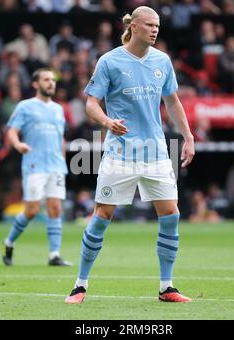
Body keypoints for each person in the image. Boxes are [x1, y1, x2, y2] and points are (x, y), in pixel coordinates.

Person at [65, 6, 195, 304]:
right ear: (133, 26)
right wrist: (107, 122)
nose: (154, 30)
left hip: (156, 152)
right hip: (120, 153)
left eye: (158, 25)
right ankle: (79, 285)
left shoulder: (162, 61)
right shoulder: (110, 61)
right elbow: (91, 104)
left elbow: (172, 102)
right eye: (149, 25)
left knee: (171, 215)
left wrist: (187, 135)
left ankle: (167, 287)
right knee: (102, 216)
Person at [2, 67, 71, 266]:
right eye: (46, 79)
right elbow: (12, 131)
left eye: (53, 80)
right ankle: (9, 242)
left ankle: (54, 255)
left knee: (55, 208)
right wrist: (18, 144)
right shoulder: (25, 106)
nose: (51, 83)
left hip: (56, 165)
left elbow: (61, 138)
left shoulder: (58, 109)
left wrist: (63, 160)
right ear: (35, 84)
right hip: (34, 164)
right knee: (32, 210)